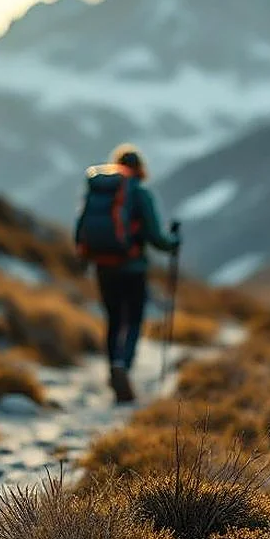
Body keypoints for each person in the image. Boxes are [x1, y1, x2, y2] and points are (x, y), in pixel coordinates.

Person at [78, 144, 179, 404]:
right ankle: (123, 366)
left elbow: (81, 230)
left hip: (103, 266)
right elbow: (156, 237)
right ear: (141, 168)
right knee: (133, 320)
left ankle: (113, 365)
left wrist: (85, 260)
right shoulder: (140, 193)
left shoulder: (99, 191)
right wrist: (174, 242)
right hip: (132, 267)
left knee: (114, 320)